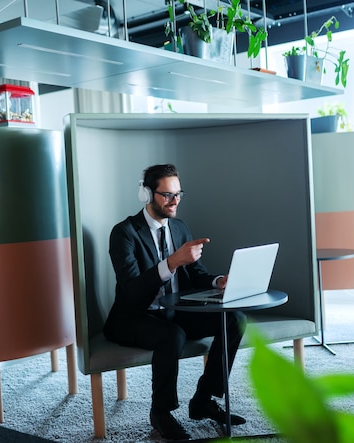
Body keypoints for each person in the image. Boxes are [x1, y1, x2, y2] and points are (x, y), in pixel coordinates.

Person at [103, 164, 247, 440]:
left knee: (234, 318)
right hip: (134, 316)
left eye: (179, 194)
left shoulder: (179, 227)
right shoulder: (124, 233)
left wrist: (218, 282)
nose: (175, 201)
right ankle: (161, 412)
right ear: (146, 194)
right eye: (167, 195)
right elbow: (132, 290)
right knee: (172, 335)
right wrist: (171, 263)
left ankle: (204, 400)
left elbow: (197, 273)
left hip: (173, 311)